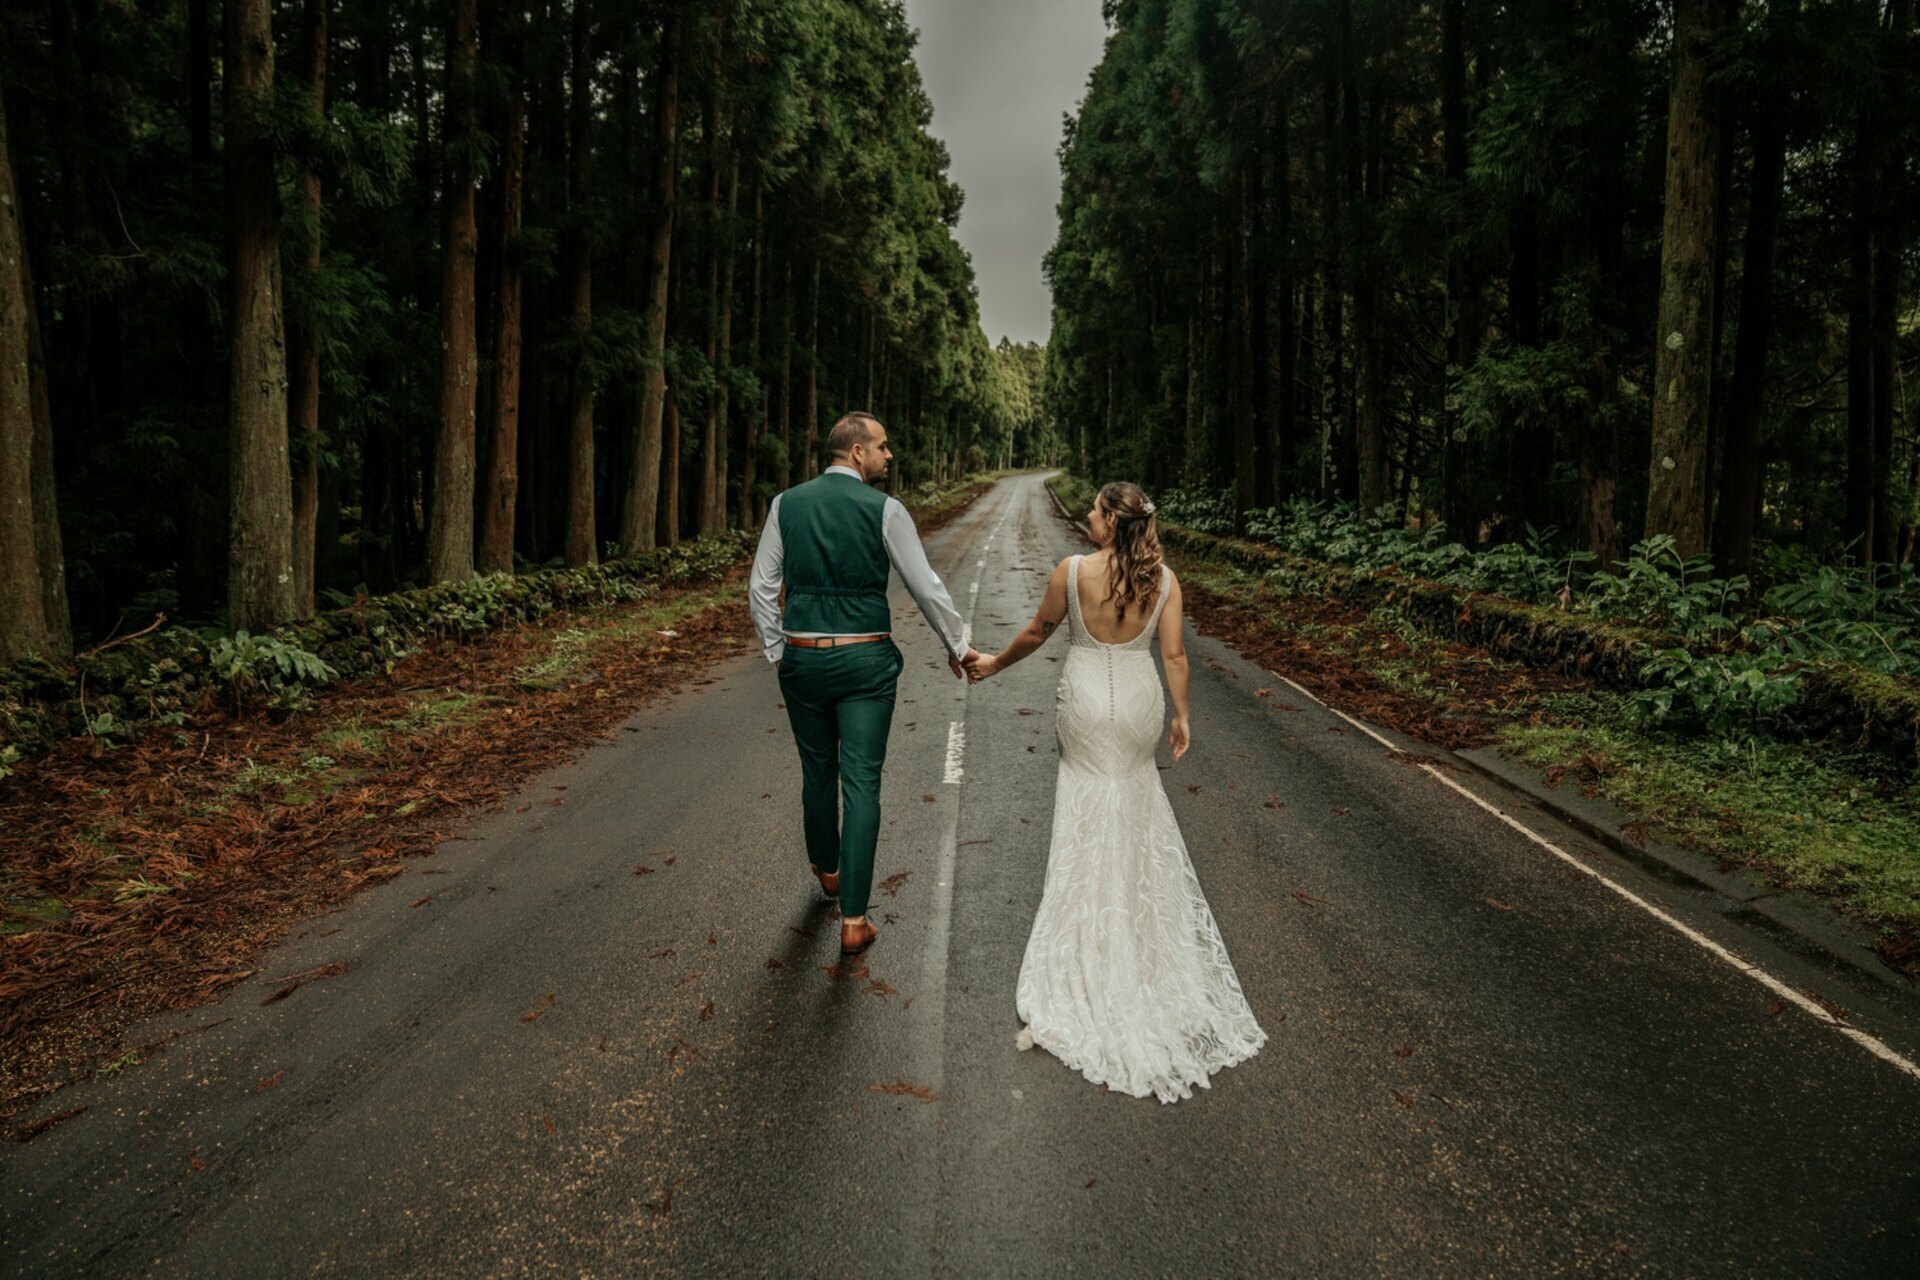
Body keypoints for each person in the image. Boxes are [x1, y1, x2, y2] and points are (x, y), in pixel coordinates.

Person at [966, 481, 1265, 1102]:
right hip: (1137, 704)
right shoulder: (1167, 582)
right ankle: (1144, 937)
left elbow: (1038, 631)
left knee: (1085, 807)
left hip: (1082, 703)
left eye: (1095, 510)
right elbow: (1176, 656)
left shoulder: (1071, 572)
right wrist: (1182, 716)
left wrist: (994, 663)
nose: (1087, 517)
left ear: (1109, 522)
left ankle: (1089, 941)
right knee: (1135, 806)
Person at [749, 412, 979, 956]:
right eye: (882, 446)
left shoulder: (786, 504)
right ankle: (854, 919)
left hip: (802, 658)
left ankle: (827, 870)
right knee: (862, 782)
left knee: (816, 770)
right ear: (857, 453)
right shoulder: (886, 510)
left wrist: (779, 650)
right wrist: (958, 646)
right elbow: (924, 585)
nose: (889, 455)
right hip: (865, 663)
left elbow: (761, 588)